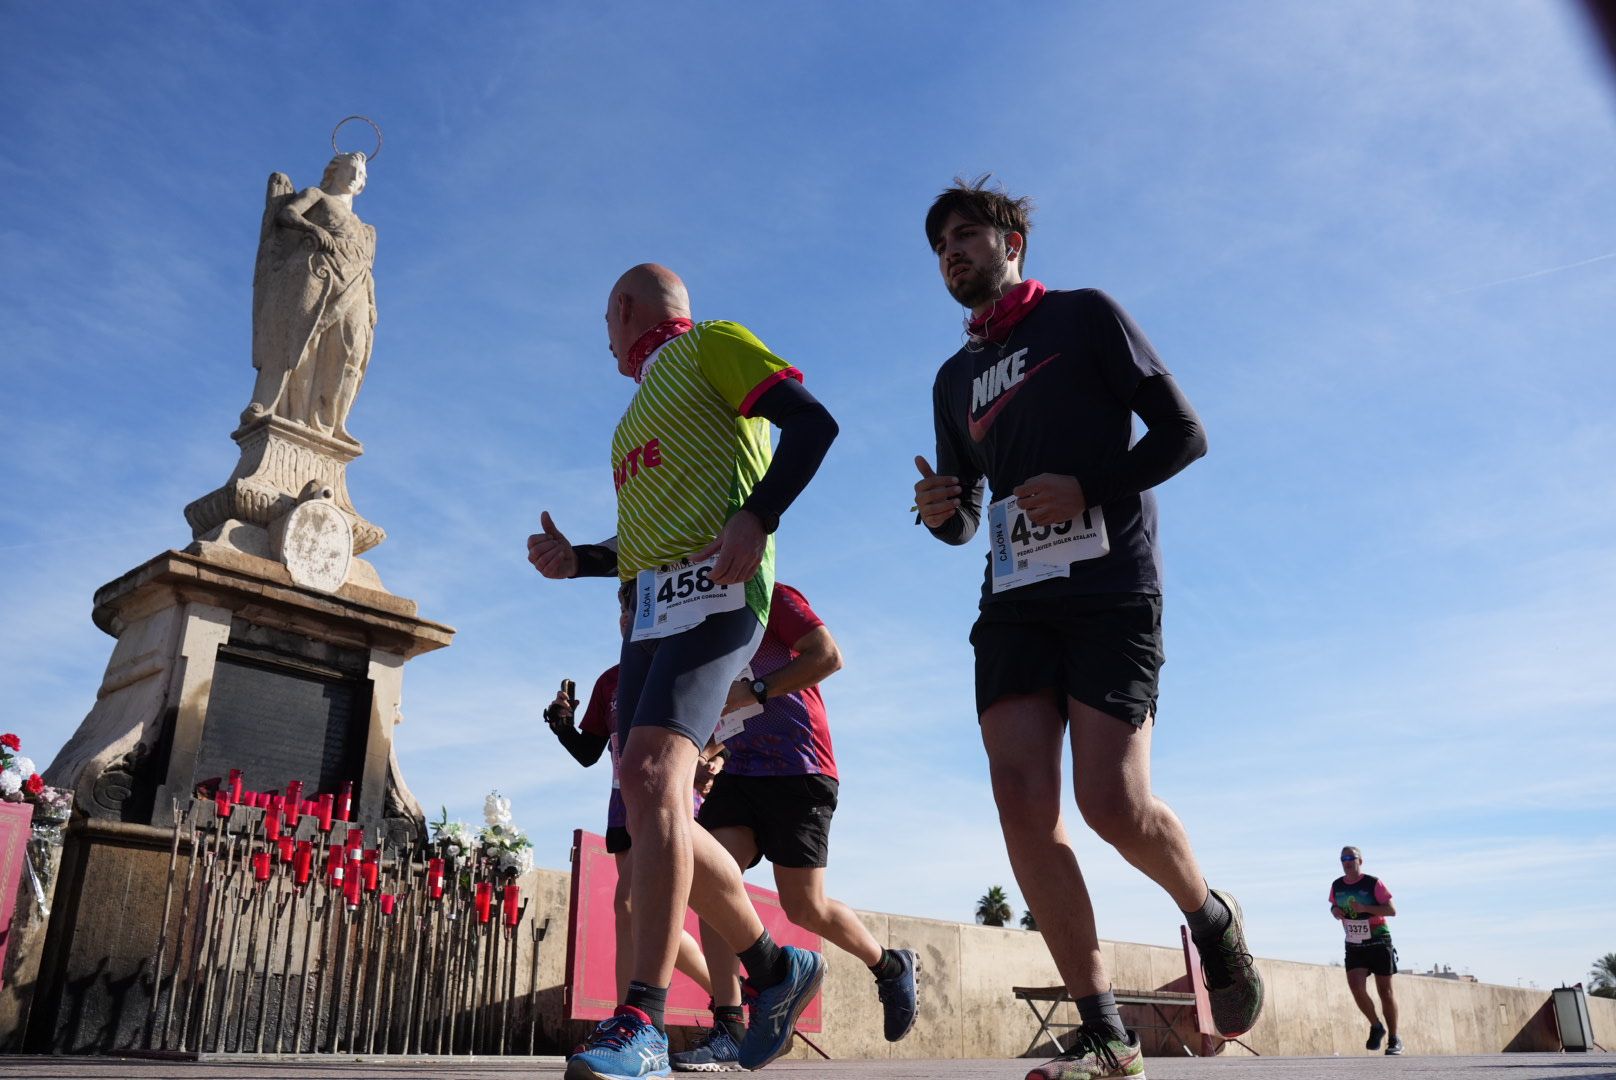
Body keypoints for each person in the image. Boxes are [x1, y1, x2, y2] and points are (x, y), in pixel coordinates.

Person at [912, 177, 1263, 1080]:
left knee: (1112, 802)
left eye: (966, 235)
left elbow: (1183, 435)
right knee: (1022, 803)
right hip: (1015, 603)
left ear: (1012, 240)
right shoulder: (953, 381)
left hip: (1111, 590)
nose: (951, 252)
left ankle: (1210, 917)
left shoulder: (1084, 317)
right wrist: (942, 510)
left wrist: (1088, 486)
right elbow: (964, 519)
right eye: (938, 245)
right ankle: (1104, 1025)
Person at [528, 264, 838, 1080]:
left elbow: (812, 425)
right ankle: (775, 968)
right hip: (650, 614)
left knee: (659, 774)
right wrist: (579, 560)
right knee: (644, 786)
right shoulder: (633, 420)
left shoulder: (712, 346)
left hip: (720, 598)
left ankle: (644, 1022)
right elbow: (643, 546)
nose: (604, 336)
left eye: (605, 318)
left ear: (624, 309)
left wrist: (758, 514)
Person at [672, 582, 919, 1071]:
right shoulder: (693, 617)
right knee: (708, 878)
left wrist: (756, 690)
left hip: (800, 767)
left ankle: (890, 966)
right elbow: (723, 710)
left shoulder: (769, 595)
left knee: (804, 906)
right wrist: (708, 754)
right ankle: (729, 1024)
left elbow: (827, 656)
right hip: (741, 771)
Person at [544, 585, 725, 1001]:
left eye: (639, 608)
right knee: (640, 912)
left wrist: (713, 762)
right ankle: (731, 997)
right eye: (623, 611)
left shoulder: (684, 668)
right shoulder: (610, 680)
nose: (628, 618)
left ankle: (634, 1017)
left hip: (671, 799)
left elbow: (721, 737)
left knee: (630, 906)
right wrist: (562, 726)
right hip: (621, 803)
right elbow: (589, 751)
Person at [249, 151, 377, 441]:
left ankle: (332, 423)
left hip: (355, 287)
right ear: (335, 170)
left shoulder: (367, 230)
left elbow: (367, 268)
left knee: (350, 352)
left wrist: (372, 303)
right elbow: (287, 213)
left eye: (363, 175)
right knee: (302, 342)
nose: (357, 177)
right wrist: (312, 228)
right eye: (352, 169)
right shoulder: (318, 196)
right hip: (318, 274)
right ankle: (287, 410)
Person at [1330, 846, 1401, 1055]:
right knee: (1355, 987)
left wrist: (1366, 908)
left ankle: (1394, 1039)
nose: (1347, 861)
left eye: (1351, 857)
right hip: (1354, 943)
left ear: (1361, 861)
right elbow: (1333, 906)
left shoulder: (1373, 883)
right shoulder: (1337, 885)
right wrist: (1335, 911)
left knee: (1385, 992)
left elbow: (1391, 910)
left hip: (1379, 940)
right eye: (1343, 858)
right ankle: (1376, 1026)